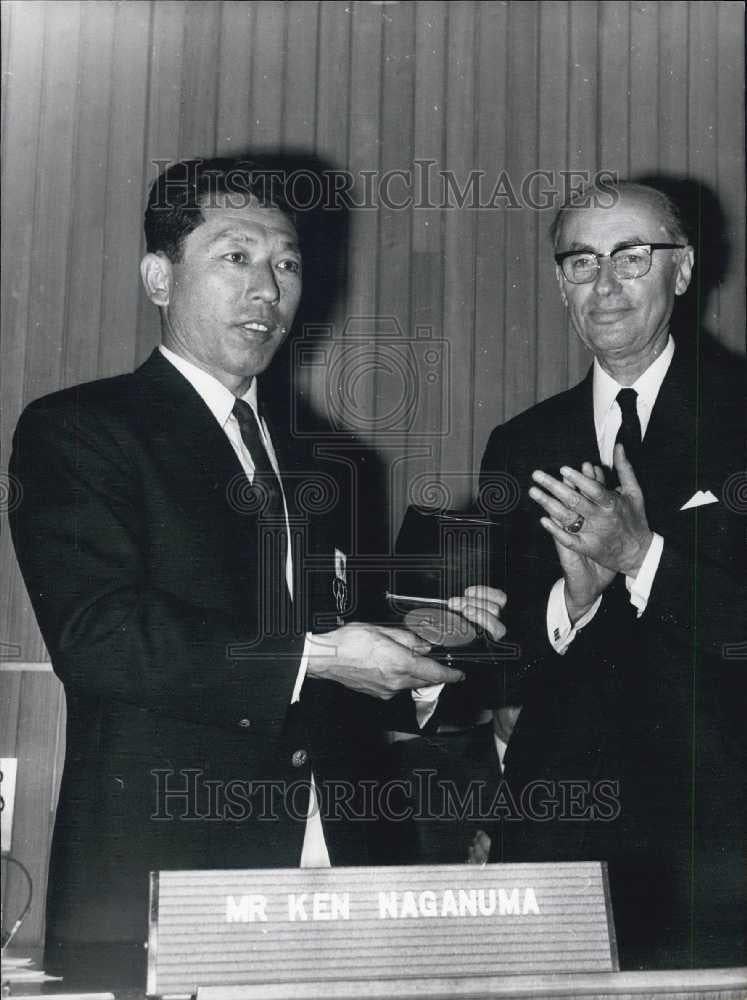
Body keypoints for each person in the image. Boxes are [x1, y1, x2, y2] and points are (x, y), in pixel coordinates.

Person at [9, 157, 504, 984]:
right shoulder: (81, 430)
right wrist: (321, 657)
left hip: (339, 869)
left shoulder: (329, 462)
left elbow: (343, 657)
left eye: (287, 263)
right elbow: (98, 634)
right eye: (235, 257)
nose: (267, 289)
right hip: (165, 869)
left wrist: (428, 653)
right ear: (158, 277)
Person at [478, 181, 746, 969]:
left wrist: (640, 557)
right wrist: (573, 600)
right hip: (555, 842)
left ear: (683, 269)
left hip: (719, 843)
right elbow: (503, 657)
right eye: (581, 261)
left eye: (631, 257)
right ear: (560, 281)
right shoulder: (521, 441)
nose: (603, 284)